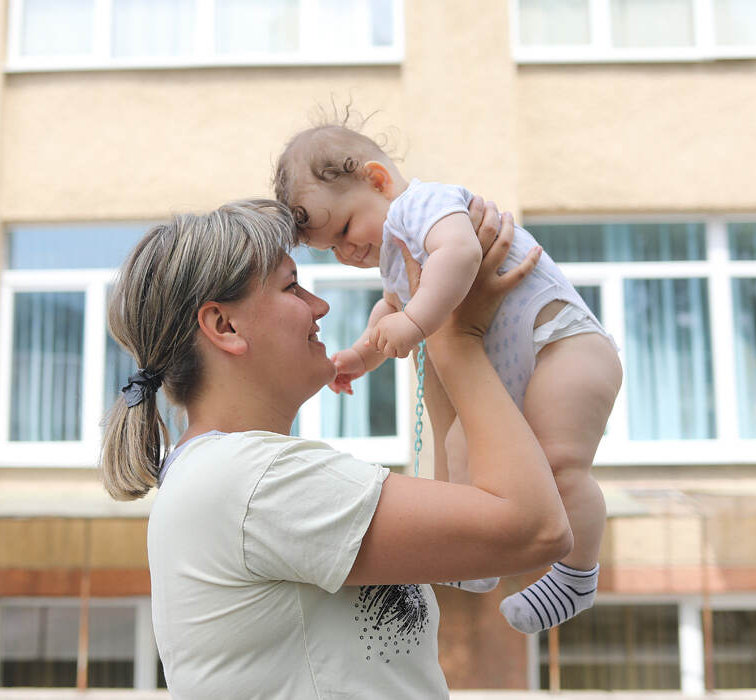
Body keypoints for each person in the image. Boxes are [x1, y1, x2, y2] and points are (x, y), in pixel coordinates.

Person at [100, 197, 571, 698]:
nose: (319, 306)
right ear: (224, 326)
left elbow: (475, 519)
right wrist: (460, 337)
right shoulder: (253, 481)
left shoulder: (227, 475)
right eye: (291, 287)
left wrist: (436, 329)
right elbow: (535, 528)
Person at [273, 123, 623, 633]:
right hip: (519, 369)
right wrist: (359, 355)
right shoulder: (394, 253)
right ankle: (477, 555)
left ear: (377, 180)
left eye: (346, 230)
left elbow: (458, 257)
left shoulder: (424, 208)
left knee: (559, 464)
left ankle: (577, 575)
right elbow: (392, 310)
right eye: (332, 249)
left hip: (564, 345)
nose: (347, 253)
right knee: (465, 448)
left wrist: (414, 323)